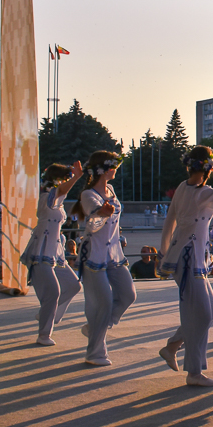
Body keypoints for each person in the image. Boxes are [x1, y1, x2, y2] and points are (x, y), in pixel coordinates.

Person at [156, 146, 213, 387]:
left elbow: (169, 221)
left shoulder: (184, 188)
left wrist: (164, 252)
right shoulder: (203, 192)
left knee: (210, 311)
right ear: (210, 169)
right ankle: (193, 372)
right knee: (197, 313)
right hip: (187, 258)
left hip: (190, 258)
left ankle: (174, 346)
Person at [73, 151, 136, 367]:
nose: (116, 169)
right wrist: (102, 215)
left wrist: (119, 235)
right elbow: (91, 225)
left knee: (128, 294)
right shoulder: (89, 195)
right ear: (105, 169)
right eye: (114, 166)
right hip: (93, 254)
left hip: (114, 254)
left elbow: (114, 224)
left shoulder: (111, 190)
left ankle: (96, 327)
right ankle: (95, 353)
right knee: (103, 303)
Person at [20, 161, 84, 346]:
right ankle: (44, 334)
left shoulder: (57, 202)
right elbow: (60, 191)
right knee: (53, 292)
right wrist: (76, 177)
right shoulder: (46, 198)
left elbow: (61, 193)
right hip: (41, 251)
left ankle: (47, 313)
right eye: (64, 179)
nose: (66, 183)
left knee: (73, 285)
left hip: (55, 253)